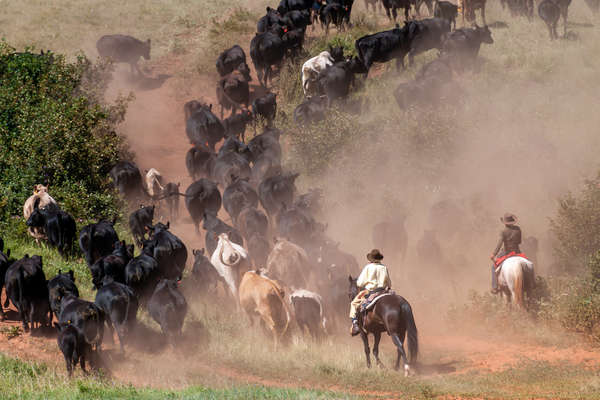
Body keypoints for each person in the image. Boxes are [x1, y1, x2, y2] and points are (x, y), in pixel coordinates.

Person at [349, 249, 391, 336]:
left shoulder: (368, 267)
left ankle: (355, 324)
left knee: (353, 303)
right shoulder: (384, 267)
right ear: (379, 258)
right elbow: (389, 283)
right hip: (383, 291)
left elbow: (359, 283)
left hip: (370, 291)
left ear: (371, 259)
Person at [489, 213, 522, 294]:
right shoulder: (518, 229)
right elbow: (519, 242)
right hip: (517, 252)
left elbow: (500, 244)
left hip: (506, 252)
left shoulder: (503, 231)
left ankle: (495, 287)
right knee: (529, 263)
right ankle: (532, 283)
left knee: (493, 267)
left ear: (505, 223)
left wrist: (494, 254)